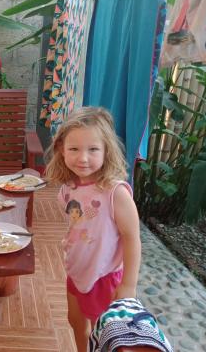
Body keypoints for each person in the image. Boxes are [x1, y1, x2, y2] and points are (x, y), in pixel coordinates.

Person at [45, 107, 141, 352]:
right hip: (76, 269)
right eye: (74, 149)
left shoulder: (115, 192)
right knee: (76, 322)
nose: (83, 158)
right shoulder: (68, 188)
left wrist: (128, 285)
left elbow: (132, 238)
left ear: (106, 151)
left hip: (104, 276)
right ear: (61, 150)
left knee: (105, 333)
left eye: (93, 149)